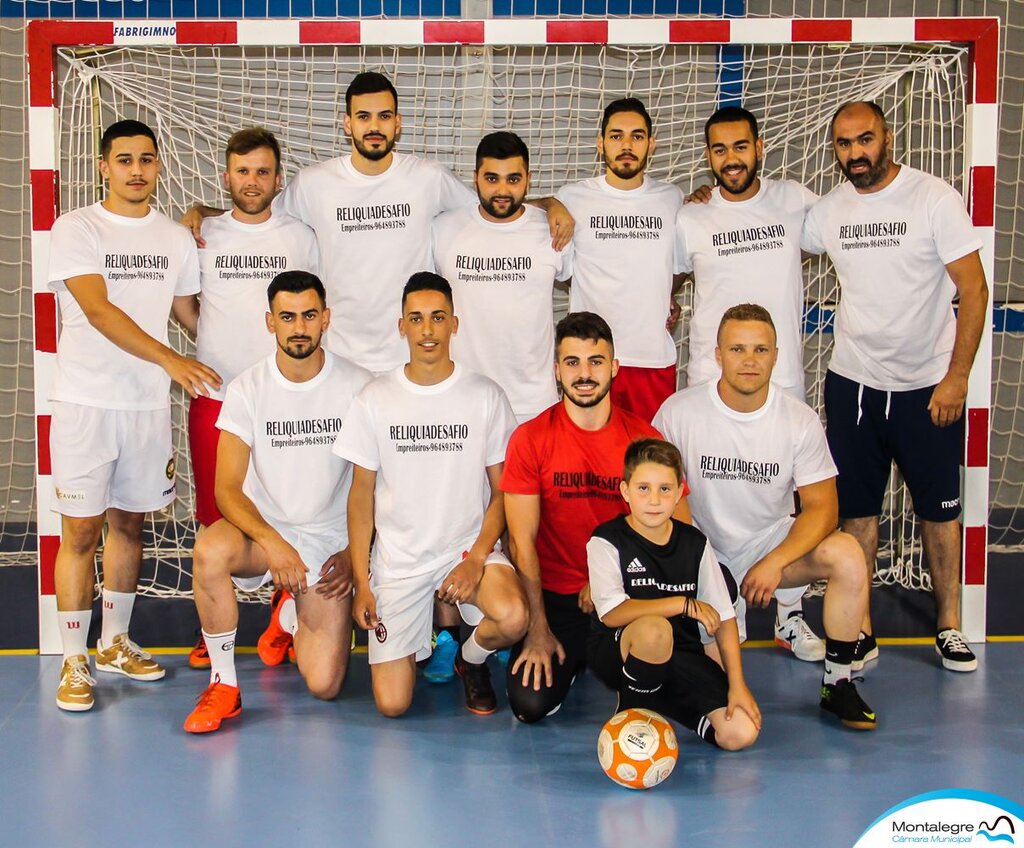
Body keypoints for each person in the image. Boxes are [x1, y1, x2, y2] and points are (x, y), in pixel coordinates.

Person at [185, 72, 572, 375]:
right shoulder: (315, 184)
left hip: (410, 356)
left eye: (384, 116)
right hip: (337, 357)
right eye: (364, 116)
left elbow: (492, 206)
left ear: (398, 122)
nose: (375, 125)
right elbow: (257, 212)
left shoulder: (428, 178)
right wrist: (203, 212)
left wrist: (550, 203)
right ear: (347, 123)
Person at [801, 101, 989, 672]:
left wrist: (957, 378)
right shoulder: (829, 211)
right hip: (854, 383)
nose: (855, 153)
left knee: (938, 510)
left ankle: (949, 625)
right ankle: (860, 628)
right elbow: (763, 233)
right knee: (857, 511)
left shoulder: (933, 198)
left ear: (888, 136)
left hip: (927, 388)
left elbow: (974, 290)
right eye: (843, 144)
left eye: (864, 139)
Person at [46, 119, 220, 712]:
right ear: (103, 166)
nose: (136, 170)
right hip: (85, 405)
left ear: (158, 166)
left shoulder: (174, 238)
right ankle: (74, 660)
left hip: (147, 406)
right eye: (124, 160)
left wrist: (247, 361)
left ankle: (114, 640)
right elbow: (97, 310)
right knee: (81, 533)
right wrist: (173, 360)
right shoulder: (76, 228)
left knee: (129, 527)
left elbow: (193, 319)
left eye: (146, 159)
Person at [655, 304, 877, 730]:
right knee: (720, 699)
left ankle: (838, 684)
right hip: (701, 551)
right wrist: (704, 565)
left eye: (760, 349)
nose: (750, 360)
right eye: (737, 348)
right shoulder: (677, 413)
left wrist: (773, 562)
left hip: (768, 546)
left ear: (777, 354)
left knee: (847, 553)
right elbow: (664, 498)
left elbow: (824, 508)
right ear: (717, 354)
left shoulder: (799, 419)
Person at [183, 271, 371, 733]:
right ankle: (224, 684)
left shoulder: (359, 386)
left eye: (309, 315)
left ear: (326, 318)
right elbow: (226, 488)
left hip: (329, 541)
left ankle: (288, 612)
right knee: (208, 551)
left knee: (325, 684)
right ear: (270, 322)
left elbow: (376, 485)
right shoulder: (248, 388)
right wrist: (273, 543)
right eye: (287, 317)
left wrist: (353, 552)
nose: (299, 327)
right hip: (264, 535)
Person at [334, 272, 528, 717]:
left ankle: (471, 658)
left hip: (464, 551)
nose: (427, 330)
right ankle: (425, 640)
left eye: (437, 318)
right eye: (416, 319)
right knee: (393, 704)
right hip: (400, 563)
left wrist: (478, 557)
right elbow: (360, 497)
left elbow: (504, 491)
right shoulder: (374, 398)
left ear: (454, 324)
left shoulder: (484, 395)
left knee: (514, 616)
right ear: (400, 326)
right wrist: (364, 584)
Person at [676, 106, 824, 662]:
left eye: (740, 146)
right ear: (708, 155)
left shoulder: (795, 202)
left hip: (778, 380)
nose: (730, 159)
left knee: (780, 501)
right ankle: (705, 600)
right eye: (718, 149)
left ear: (758, 148)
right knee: (704, 495)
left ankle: (788, 615)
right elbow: (658, 273)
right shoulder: (690, 217)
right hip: (708, 382)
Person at [501, 311, 685, 723]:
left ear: (614, 367)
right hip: (557, 600)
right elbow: (520, 541)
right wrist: (536, 627)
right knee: (528, 706)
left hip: (626, 593)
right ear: (557, 372)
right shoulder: (530, 439)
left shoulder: (645, 440)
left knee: (678, 681)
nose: (584, 374)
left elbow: (678, 533)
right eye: (573, 363)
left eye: (596, 362)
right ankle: (577, 661)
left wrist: (605, 578)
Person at [187, 127, 320, 672]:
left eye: (263, 172)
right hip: (218, 395)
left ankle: (283, 611)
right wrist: (210, 343)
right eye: (242, 171)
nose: (252, 181)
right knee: (214, 515)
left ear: (278, 179)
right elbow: (182, 299)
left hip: (284, 401)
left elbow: (309, 307)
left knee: (288, 504)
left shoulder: (299, 235)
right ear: (226, 176)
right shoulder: (203, 234)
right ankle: (211, 627)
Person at [588, 438, 760, 751]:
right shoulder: (606, 540)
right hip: (621, 650)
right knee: (656, 629)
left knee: (740, 734)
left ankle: (663, 704)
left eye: (665, 489)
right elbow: (612, 613)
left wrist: (738, 685)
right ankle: (632, 713)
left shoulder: (695, 544)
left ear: (679, 492)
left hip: (682, 652)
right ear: (625, 491)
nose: (654, 500)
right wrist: (682, 604)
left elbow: (724, 616)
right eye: (643, 489)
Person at [556, 98, 685, 422]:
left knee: (650, 465)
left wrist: (667, 294)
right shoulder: (571, 198)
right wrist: (548, 202)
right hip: (590, 360)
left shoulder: (672, 199)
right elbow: (517, 210)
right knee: (589, 466)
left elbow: (683, 263)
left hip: (651, 361)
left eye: (637, 136)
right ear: (600, 144)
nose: (626, 145)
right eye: (616, 136)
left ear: (651, 144)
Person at [432, 131, 571, 424]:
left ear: (528, 179)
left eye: (513, 179)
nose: (503, 189)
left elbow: (590, 290)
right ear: (476, 177)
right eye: (492, 178)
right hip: (463, 398)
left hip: (534, 403)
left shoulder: (553, 230)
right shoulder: (443, 229)